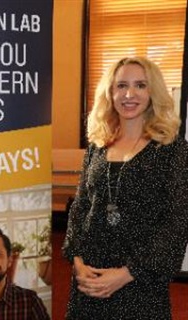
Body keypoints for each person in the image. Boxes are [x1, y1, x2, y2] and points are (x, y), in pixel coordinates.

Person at [62, 56, 188, 319]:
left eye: (140, 85)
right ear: (110, 92)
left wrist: (127, 274)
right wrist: (77, 262)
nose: (129, 94)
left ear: (153, 91)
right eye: (121, 86)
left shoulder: (171, 149)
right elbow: (81, 205)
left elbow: (176, 222)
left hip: (140, 282)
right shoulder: (98, 145)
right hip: (90, 278)